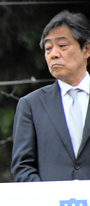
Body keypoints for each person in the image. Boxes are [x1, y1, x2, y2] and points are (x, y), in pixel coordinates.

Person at [12, 10, 90, 181]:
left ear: (86, 49)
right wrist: (46, 199)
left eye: (62, 46)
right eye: (48, 48)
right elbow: (22, 167)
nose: (53, 54)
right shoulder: (31, 105)